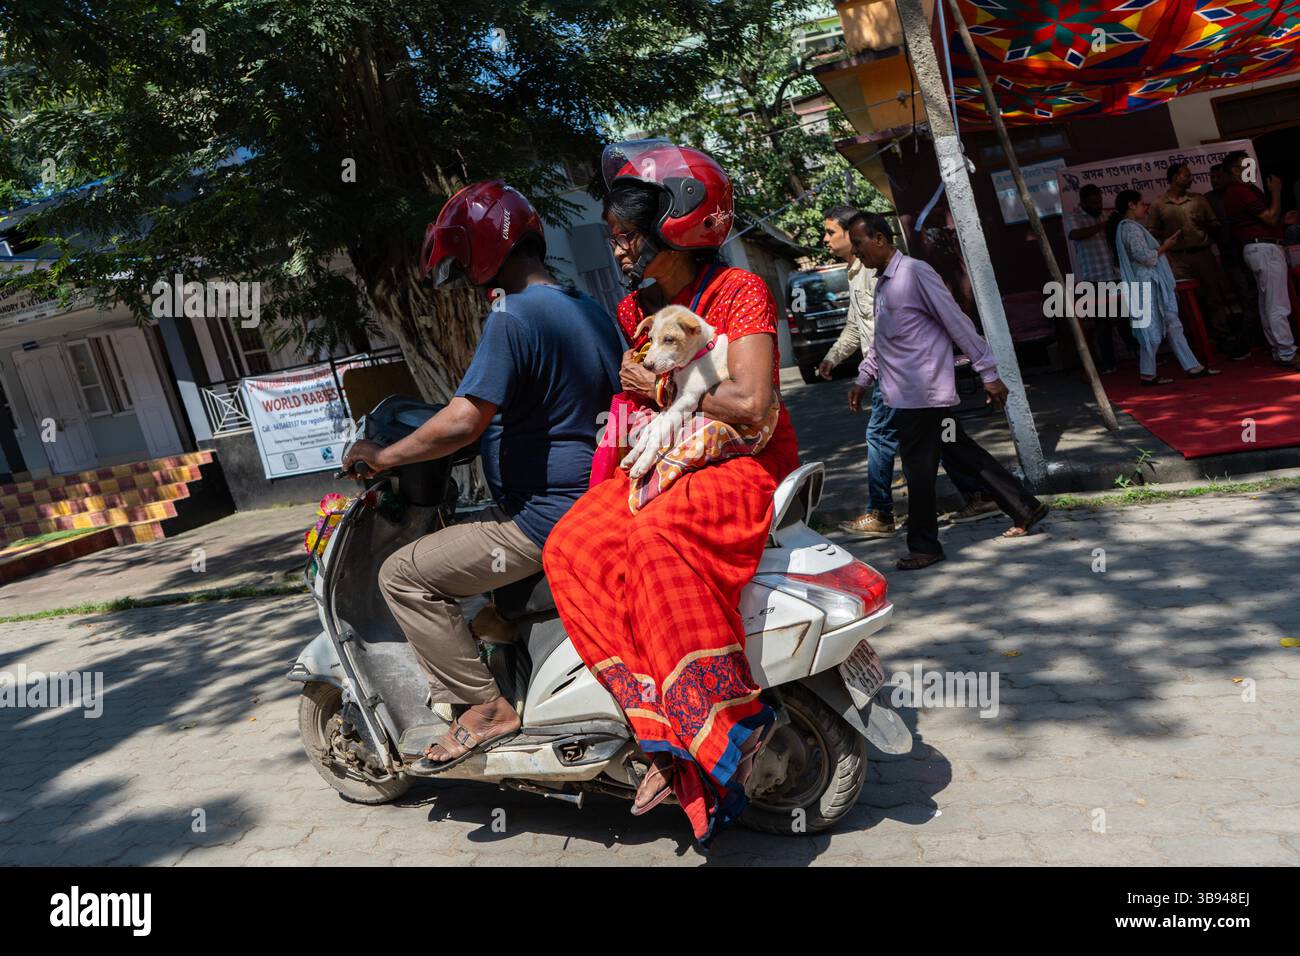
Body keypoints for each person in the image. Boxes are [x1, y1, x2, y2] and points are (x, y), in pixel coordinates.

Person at [542, 141, 800, 848]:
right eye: (615, 234)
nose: (618, 246)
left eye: (628, 234)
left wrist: (650, 383)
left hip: (736, 464)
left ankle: (717, 726)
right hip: (666, 459)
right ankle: (657, 729)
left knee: (654, 543)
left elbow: (749, 405)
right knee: (569, 546)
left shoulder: (739, 292)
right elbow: (648, 401)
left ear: (678, 224)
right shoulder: (636, 306)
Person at [341, 180, 623, 772]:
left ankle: (486, 709)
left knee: (402, 575)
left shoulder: (513, 314)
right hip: (599, 503)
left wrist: (385, 456)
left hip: (544, 520)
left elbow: (464, 418)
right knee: (491, 614)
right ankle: (523, 687)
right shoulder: (585, 308)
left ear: (483, 249)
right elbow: (547, 410)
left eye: (464, 258)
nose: (467, 275)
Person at [848, 212, 1049, 571]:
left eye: (859, 243)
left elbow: (957, 322)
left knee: (919, 471)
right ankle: (1024, 506)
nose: (855, 251)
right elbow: (884, 341)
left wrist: (988, 371)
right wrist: (864, 377)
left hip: (920, 394)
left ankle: (925, 545)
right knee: (959, 450)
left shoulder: (915, 273)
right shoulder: (882, 284)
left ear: (880, 238)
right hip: (905, 393)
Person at [816, 205, 996, 536]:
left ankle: (885, 514)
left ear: (865, 236)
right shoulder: (858, 273)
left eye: (831, 233)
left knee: (887, 439)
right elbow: (861, 328)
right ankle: (988, 495)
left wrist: (988, 370)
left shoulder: (887, 271)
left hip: (904, 375)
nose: (825, 239)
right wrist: (836, 358)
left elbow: (950, 321)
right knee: (945, 439)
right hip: (893, 374)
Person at [1109, 190, 1220, 386]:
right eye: (1142, 204)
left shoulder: (1128, 228)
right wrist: (1165, 246)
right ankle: (1148, 374)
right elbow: (1145, 257)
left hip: (1151, 282)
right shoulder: (1131, 229)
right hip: (1147, 283)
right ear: (1131, 205)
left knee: (1172, 324)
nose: (1146, 207)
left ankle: (1191, 366)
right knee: (1151, 329)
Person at [1148, 162, 1248, 360]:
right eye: (1187, 175)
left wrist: (1204, 225)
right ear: (1176, 177)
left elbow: (1215, 224)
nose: (1191, 178)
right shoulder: (1159, 204)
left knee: (1214, 296)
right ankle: (1193, 342)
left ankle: (1222, 337)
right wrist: (1166, 236)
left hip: (1203, 254)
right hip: (1177, 259)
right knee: (1183, 302)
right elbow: (1151, 231)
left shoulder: (1199, 200)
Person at [1220, 150, 1300, 370]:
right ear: (1236, 170)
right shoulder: (1240, 191)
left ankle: (1279, 349)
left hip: (1259, 246)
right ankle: (1286, 351)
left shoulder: (1242, 191)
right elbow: (1269, 216)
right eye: (1247, 164)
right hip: (1264, 248)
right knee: (1277, 304)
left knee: (1268, 303)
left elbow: (1267, 220)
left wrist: (1281, 222)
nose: (1252, 168)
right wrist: (1276, 192)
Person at [1066, 184, 1126, 372]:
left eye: (1099, 201)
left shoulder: (1106, 215)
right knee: (1102, 324)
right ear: (1083, 202)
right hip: (1094, 279)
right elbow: (1074, 234)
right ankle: (1109, 364)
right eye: (1093, 202)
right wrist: (1098, 227)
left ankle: (1138, 353)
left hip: (1114, 275)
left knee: (1126, 319)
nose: (1097, 205)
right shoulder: (1075, 217)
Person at [1208, 161, 1263, 350]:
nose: (1214, 181)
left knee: (1262, 294)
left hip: (1252, 247)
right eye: (1211, 178)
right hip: (1231, 255)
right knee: (1246, 297)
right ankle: (1246, 342)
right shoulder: (1209, 199)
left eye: (1218, 177)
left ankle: (1260, 336)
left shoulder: (1242, 191)